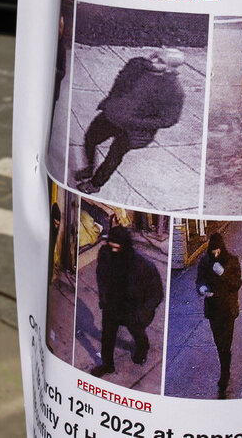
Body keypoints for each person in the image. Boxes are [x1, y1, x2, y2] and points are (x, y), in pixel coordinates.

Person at [75, 48, 185, 195]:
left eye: (160, 61)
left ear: (170, 68)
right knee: (90, 138)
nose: (153, 60)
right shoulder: (137, 65)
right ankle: (89, 167)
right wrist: (113, 101)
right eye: (155, 55)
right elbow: (120, 79)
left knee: (114, 156)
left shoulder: (174, 90)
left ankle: (95, 184)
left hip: (134, 131)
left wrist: (136, 122)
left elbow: (169, 119)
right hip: (113, 115)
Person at [90, 226, 163, 378]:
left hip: (132, 308)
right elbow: (101, 276)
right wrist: (103, 297)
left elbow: (157, 292)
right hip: (112, 304)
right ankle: (107, 364)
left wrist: (144, 311)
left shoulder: (142, 265)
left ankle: (142, 349)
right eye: (111, 247)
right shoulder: (105, 255)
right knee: (107, 336)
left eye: (117, 248)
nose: (114, 251)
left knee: (137, 332)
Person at [196, 232, 242, 399]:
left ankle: (225, 374)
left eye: (218, 250)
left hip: (228, 310)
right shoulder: (204, 262)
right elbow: (199, 280)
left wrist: (223, 274)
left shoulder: (232, 261)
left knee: (225, 343)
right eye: (213, 250)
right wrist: (202, 289)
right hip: (214, 309)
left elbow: (236, 284)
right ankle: (225, 368)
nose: (215, 254)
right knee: (219, 343)